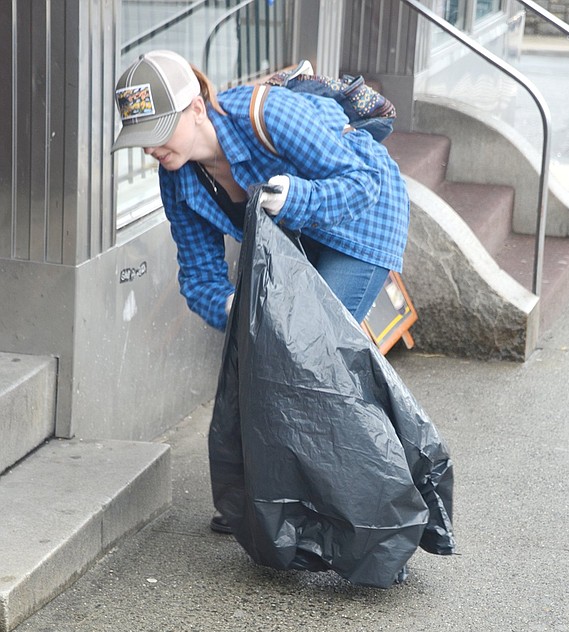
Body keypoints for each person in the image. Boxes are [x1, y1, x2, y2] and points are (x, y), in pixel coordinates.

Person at [112, 50, 410, 534]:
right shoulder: (178, 177)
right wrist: (234, 308)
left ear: (195, 108)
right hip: (294, 239)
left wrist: (297, 197)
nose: (150, 150)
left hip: (363, 224)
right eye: (140, 139)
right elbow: (199, 277)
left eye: (158, 132)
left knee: (317, 358)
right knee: (262, 354)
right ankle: (270, 502)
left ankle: (376, 505)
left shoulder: (267, 114)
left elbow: (365, 180)